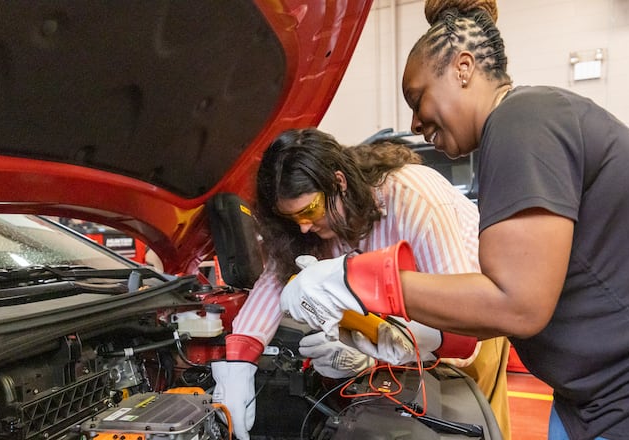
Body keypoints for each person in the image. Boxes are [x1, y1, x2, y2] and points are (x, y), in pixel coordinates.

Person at [279, 1, 629, 439]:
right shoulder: (514, 136)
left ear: (463, 68)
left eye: (418, 98)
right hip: (606, 395)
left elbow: (518, 304)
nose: (416, 123)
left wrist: (357, 277)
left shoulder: (523, 120)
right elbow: (490, 310)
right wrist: (386, 338)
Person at [211, 128, 511, 440]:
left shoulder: (413, 199)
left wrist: (376, 354)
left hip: (470, 325)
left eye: (309, 210)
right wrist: (239, 365)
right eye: (291, 218)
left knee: (467, 422)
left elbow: (462, 334)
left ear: (339, 182)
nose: (302, 228)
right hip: (394, 331)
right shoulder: (315, 227)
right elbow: (272, 283)